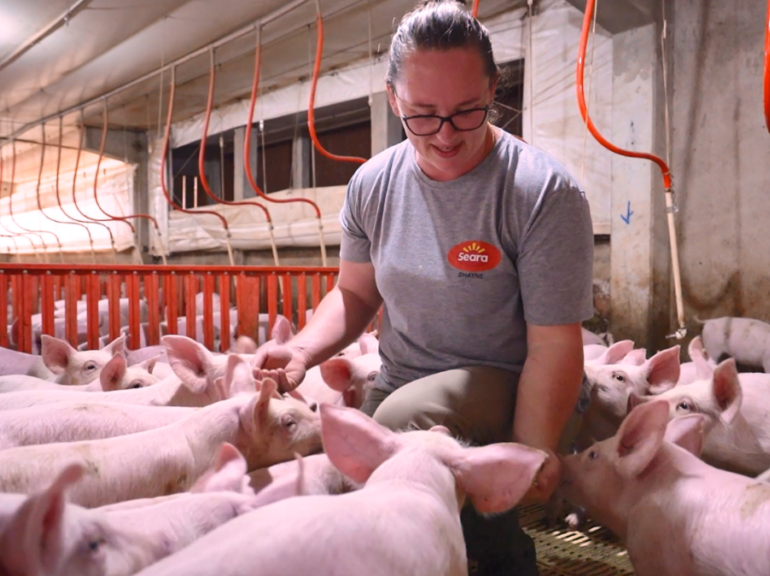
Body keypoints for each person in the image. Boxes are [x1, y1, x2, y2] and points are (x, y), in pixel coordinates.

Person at [251, 1, 594, 574]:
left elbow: (554, 346)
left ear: (494, 90)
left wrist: (532, 451)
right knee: (358, 477)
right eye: (422, 114)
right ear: (393, 99)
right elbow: (355, 295)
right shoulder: (372, 185)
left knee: (410, 462)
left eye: (467, 112)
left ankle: (496, 548)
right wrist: (304, 351)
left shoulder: (541, 194)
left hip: (514, 382)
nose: (444, 134)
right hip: (401, 381)